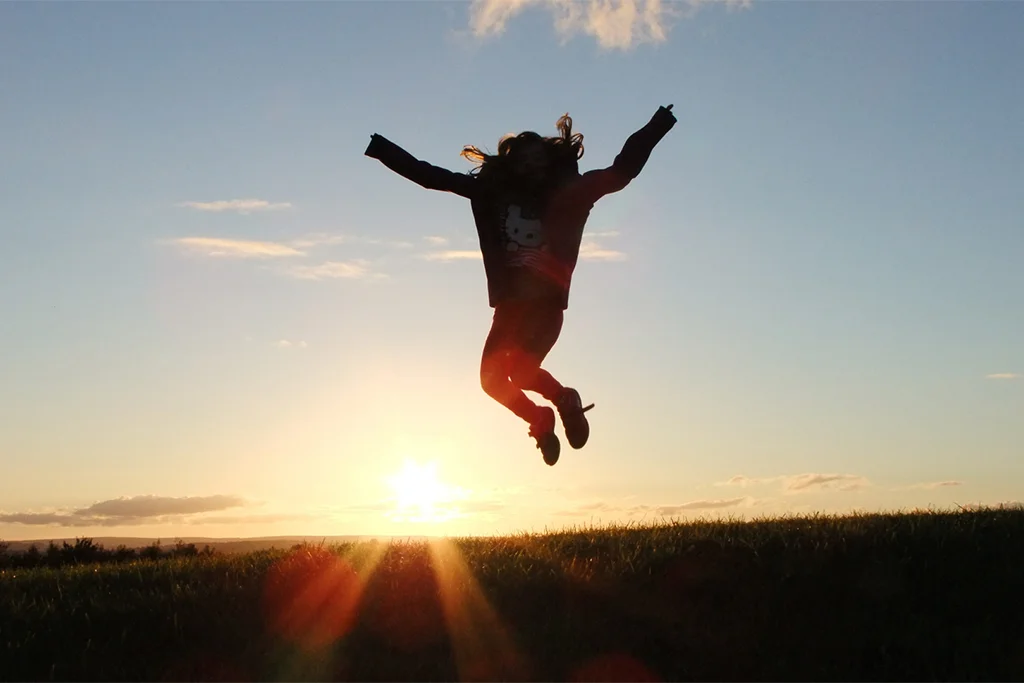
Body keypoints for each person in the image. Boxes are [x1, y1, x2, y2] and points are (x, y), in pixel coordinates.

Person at [364, 104, 677, 465]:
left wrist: (657, 125)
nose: (530, 164)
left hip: (545, 305)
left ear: (549, 162)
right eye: (521, 159)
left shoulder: (573, 194)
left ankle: (564, 400)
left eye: (537, 157)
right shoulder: (490, 193)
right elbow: (432, 176)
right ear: (510, 166)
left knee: (523, 372)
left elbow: (621, 172)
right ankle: (541, 417)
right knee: (493, 380)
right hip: (510, 309)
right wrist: (382, 149)